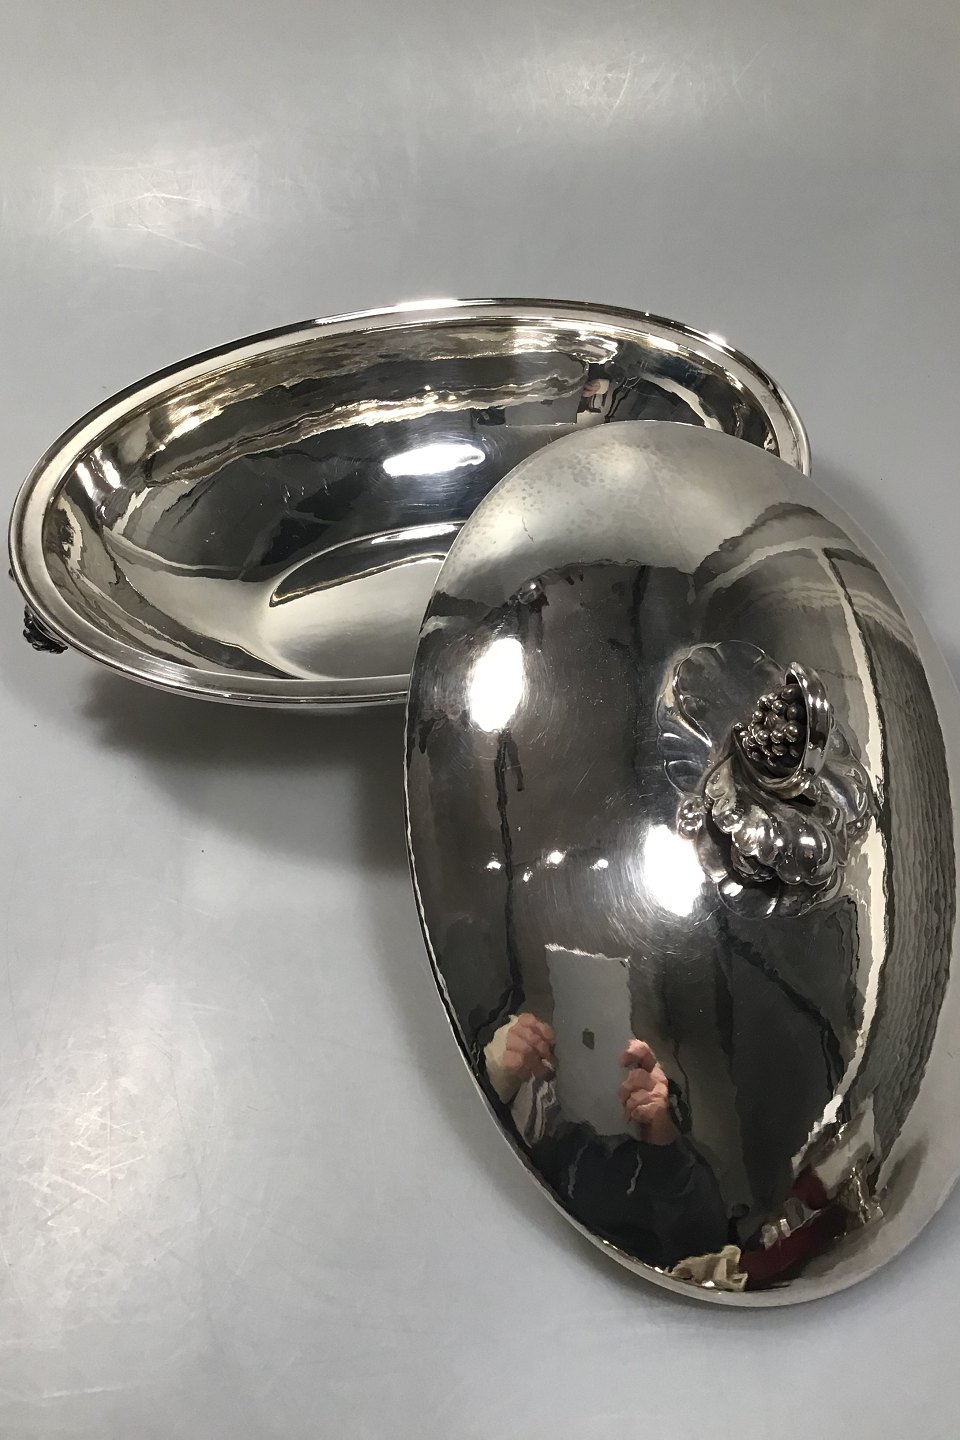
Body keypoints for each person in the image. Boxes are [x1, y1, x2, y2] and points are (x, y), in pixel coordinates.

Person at [484, 1014, 728, 1269]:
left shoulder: (679, 1161)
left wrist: (661, 1133)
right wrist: (501, 1078)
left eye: (634, 1065)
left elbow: (703, 1242)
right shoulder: (559, 1136)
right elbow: (496, 1178)